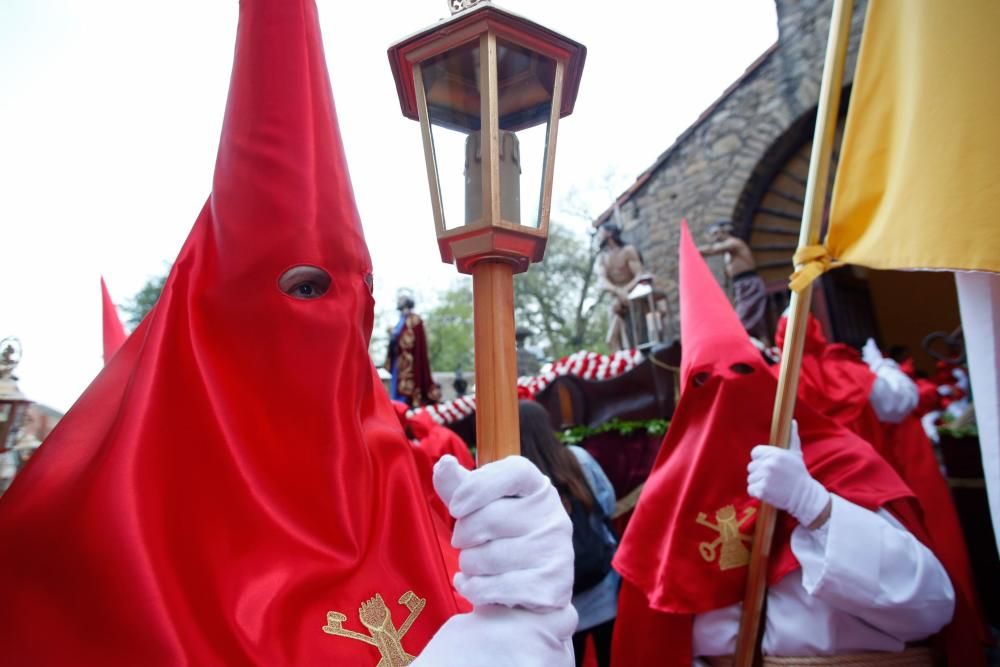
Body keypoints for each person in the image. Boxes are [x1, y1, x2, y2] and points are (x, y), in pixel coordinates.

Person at [0, 1, 578, 664]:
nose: (338, 314)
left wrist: (538, 619)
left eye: (358, 288)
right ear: (216, 311)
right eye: (304, 287)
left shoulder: (426, 472)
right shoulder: (106, 536)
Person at [611, 222, 976, 666]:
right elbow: (655, 643)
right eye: (703, 382)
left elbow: (929, 604)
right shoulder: (668, 503)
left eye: (744, 372)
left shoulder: (839, 461)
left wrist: (815, 506)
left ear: (770, 379)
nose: (726, 389)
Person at [518, 400, 619, 667]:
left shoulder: (517, 479)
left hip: (553, 603)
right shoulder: (577, 458)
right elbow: (606, 503)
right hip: (601, 586)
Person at [698, 220, 770, 343]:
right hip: (739, 285)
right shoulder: (728, 253)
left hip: (749, 283)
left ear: (724, 231)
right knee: (753, 326)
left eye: (716, 233)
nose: (714, 237)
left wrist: (693, 250)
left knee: (742, 323)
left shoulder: (734, 243)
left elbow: (712, 249)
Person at [595, 221, 654, 352]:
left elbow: (639, 274)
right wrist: (618, 291)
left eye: (601, 232)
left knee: (637, 337)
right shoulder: (602, 258)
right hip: (616, 300)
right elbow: (602, 280)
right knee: (612, 339)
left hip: (634, 297)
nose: (598, 235)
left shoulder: (628, 251)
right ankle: (622, 362)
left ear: (609, 233)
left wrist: (626, 290)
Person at [386, 290, 436, 407]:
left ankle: (407, 406)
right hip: (398, 361)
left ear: (407, 301)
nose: (399, 301)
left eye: (401, 299)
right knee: (395, 386)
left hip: (410, 362)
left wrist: (396, 336)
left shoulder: (415, 319)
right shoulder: (401, 320)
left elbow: (413, 340)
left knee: (406, 388)